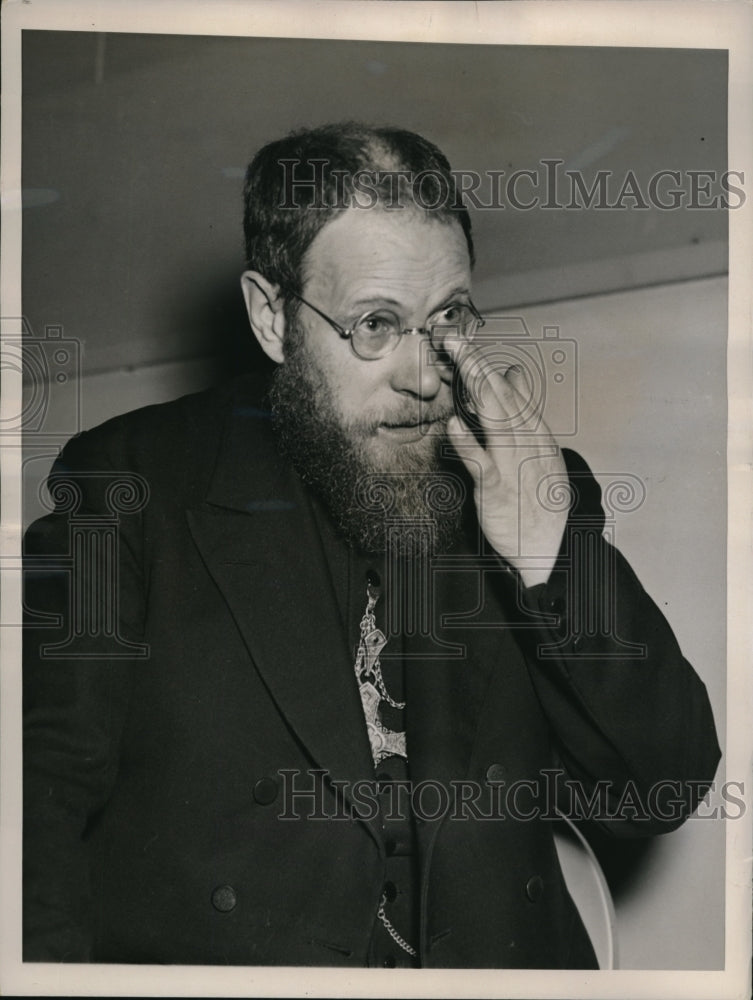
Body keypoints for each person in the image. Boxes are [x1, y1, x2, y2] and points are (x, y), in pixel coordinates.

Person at [23, 121, 721, 968]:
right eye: (375, 325)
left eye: (449, 317)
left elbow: (663, 787)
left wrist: (548, 559)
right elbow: (32, 806)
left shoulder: (519, 476)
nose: (426, 377)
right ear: (272, 317)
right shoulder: (126, 486)